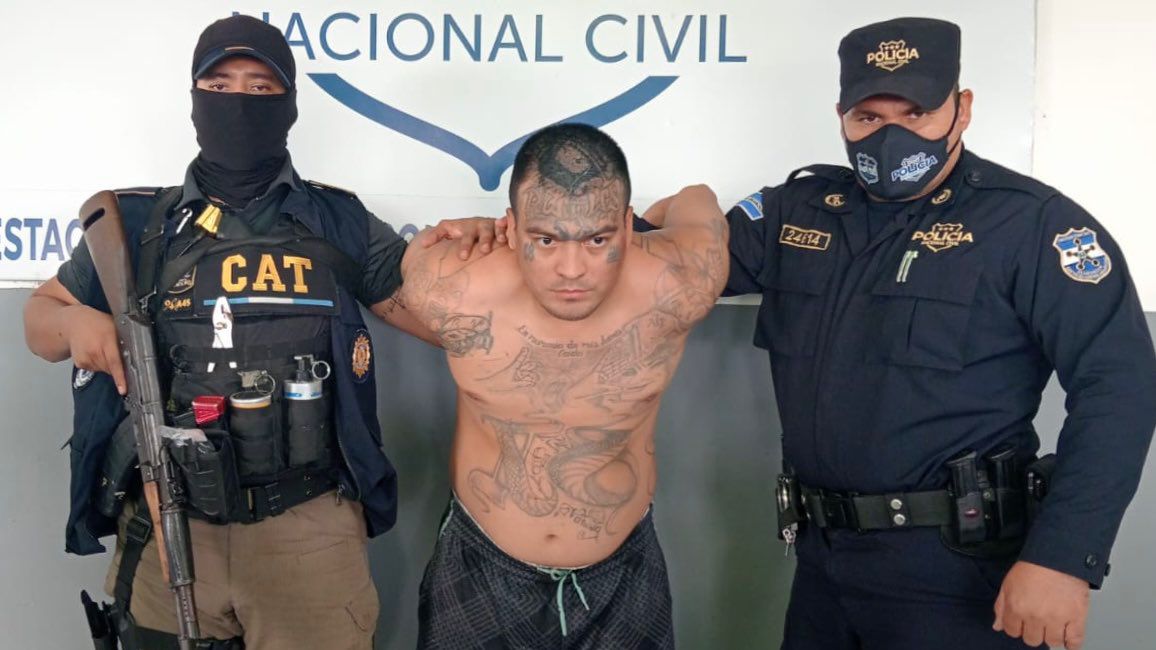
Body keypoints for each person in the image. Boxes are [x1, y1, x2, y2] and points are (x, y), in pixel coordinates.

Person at [639, 16, 1156, 650]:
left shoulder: (1032, 226)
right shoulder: (797, 212)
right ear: (841, 116)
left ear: (962, 109)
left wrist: (1063, 557)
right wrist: (678, 208)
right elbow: (664, 266)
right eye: (869, 117)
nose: (891, 136)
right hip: (822, 566)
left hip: (959, 574)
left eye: (916, 113)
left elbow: (1119, 388)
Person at [23, 15, 500, 650]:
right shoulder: (137, 224)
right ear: (194, 99)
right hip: (169, 525)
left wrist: (481, 253)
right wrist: (72, 320)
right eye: (219, 86)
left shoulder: (338, 220)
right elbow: (41, 320)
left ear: (290, 104)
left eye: (259, 88)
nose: (238, 102)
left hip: (307, 532)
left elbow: (444, 320)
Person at [398, 122, 728, 648]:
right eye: (545, 240)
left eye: (597, 239)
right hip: (481, 562)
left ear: (626, 226)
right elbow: (423, 250)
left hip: (622, 569)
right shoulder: (452, 288)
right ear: (511, 228)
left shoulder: (681, 282)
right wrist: (480, 230)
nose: (571, 270)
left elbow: (697, 197)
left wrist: (651, 221)